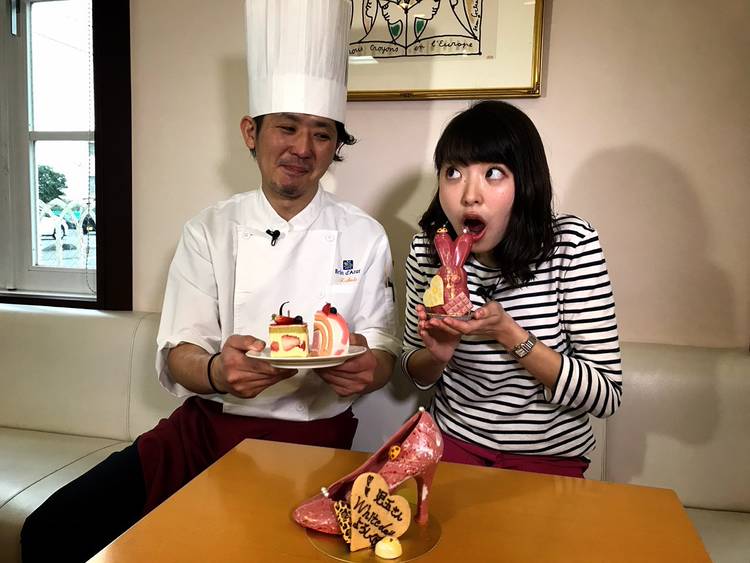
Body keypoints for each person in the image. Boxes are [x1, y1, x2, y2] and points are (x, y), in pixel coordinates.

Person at [20, 1, 399, 561]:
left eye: (321, 134)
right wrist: (219, 370)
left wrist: (370, 368)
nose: (302, 148)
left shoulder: (364, 235)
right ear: (251, 131)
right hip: (206, 432)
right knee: (52, 529)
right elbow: (179, 352)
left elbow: (384, 350)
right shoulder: (209, 229)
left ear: (334, 146)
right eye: (286, 127)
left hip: (317, 445)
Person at [401, 100, 622, 478]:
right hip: (452, 444)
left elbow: (605, 396)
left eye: (493, 173)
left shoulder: (571, 245)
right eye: (453, 172)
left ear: (526, 182)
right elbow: (414, 368)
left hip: (549, 457)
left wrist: (509, 334)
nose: (469, 195)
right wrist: (438, 356)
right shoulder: (429, 249)